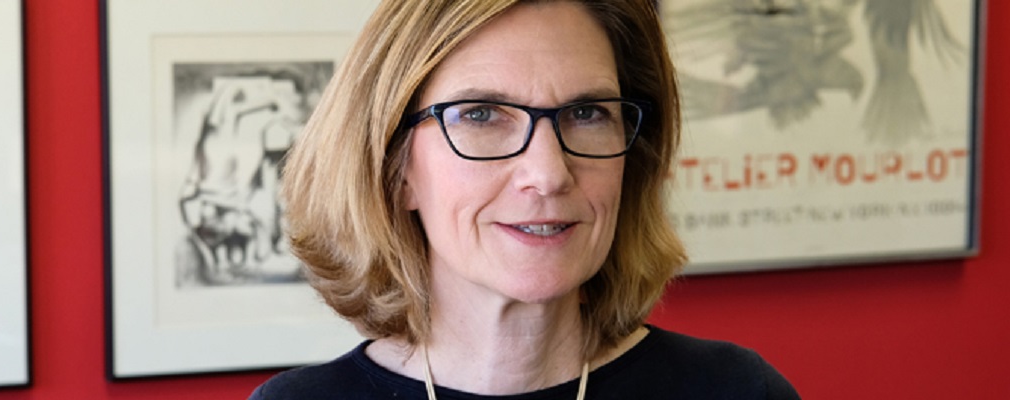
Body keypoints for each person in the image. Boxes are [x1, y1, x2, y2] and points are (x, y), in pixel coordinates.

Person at [251, 0, 799, 398]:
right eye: (482, 115)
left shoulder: (735, 391)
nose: (548, 174)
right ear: (397, 171)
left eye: (587, 114)